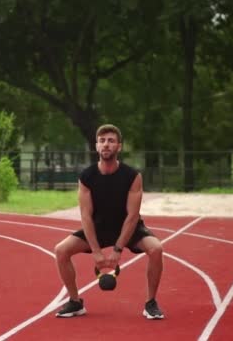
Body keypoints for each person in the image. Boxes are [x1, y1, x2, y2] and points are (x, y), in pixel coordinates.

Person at [54, 124, 165, 320]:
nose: (106, 144)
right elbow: (86, 216)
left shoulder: (132, 176)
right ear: (96, 146)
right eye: (102, 141)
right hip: (98, 227)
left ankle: (151, 303)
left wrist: (117, 249)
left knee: (156, 249)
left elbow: (132, 216)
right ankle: (75, 302)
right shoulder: (86, 176)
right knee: (61, 250)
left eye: (111, 141)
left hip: (128, 228)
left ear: (119, 147)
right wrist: (96, 252)